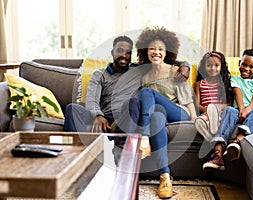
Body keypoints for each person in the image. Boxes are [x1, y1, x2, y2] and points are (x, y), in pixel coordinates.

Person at [64, 35, 190, 134]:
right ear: (112, 52)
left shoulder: (139, 70)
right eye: (120, 51)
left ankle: (123, 148)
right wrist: (98, 115)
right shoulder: (99, 74)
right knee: (72, 108)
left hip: (127, 115)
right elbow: (91, 99)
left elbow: (161, 59)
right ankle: (79, 154)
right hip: (104, 115)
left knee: (133, 102)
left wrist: (185, 65)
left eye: (128, 52)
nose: (124, 55)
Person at [132, 26, 197, 199]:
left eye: (161, 49)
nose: (156, 52)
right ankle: (165, 177)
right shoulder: (144, 75)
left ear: (167, 51)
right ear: (146, 50)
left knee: (147, 93)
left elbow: (187, 100)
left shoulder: (175, 72)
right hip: (159, 115)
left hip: (179, 113)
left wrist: (194, 118)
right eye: (152, 48)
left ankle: (144, 137)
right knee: (157, 116)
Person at [203, 49, 253, 171]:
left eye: (251, 66)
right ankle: (218, 155)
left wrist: (247, 110)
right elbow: (237, 93)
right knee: (228, 110)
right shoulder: (234, 78)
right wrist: (242, 109)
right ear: (239, 63)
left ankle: (237, 141)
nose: (246, 69)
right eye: (244, 64)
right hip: (239, 111)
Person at [194, 51, 233, 141]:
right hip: (206, 113)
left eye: (216, 65)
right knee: (200, 121)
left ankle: (214, 127)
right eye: (209, 65)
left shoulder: (224, 83)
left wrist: (217, 108)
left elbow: (230, 103)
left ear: (221, 67)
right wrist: (206, 110)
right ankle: (210, 138)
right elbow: (197, 104)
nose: (212, 68)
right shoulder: (199, 84)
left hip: (221, 112)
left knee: (219, 117)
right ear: (204, 66)